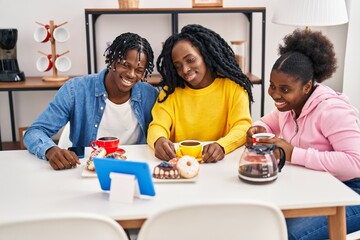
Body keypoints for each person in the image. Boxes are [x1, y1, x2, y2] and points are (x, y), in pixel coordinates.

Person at [246, 29, 360, 239]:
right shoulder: (289, 107)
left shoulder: (331, 110)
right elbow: (267, 123)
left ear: (307, 86)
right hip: (319, 185)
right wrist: (257, 128)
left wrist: (294, 154)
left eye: (284, 89)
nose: (275, 94)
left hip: (353, 191)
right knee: (261, 219)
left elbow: (355, 162)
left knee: (288, 234)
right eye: (272, 86)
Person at [24, 32, 158, 170]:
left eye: (139, 70)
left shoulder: (150, 95)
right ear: (112, 59)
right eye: (125, 65)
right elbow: (34, 131)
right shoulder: (75, 90)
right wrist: (50, 150)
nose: (131, 74)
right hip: (88, 169)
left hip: (133, 168)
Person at [147, 24, 253, 163]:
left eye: (190, 60)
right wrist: (158, 140)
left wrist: (222, 146)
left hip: (220, 164)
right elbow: (157, 125)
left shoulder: (233, 87)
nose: (185, 70)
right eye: (178, 66)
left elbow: (243, 125)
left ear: (206, 55)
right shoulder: (171, 92)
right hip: (180, 164)